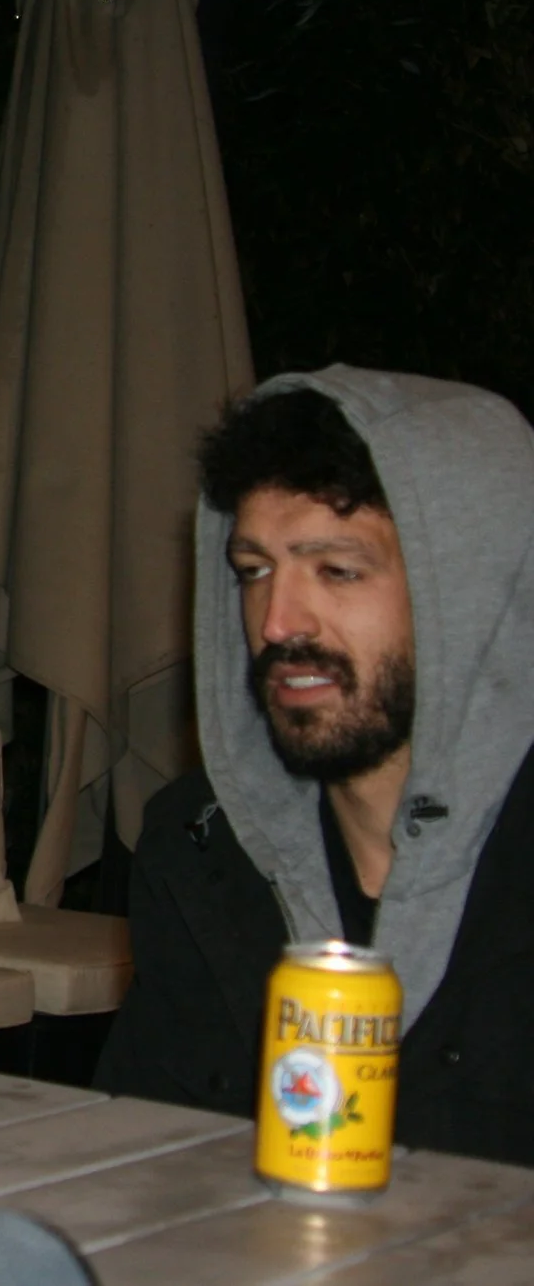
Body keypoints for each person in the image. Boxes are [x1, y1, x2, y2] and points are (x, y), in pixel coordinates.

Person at [97, 367, 534, 1166]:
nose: (276, 623)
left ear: (469, 595)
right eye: (254, 570)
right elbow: (139, 1164)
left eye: (336, 569)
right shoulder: (197, 847)